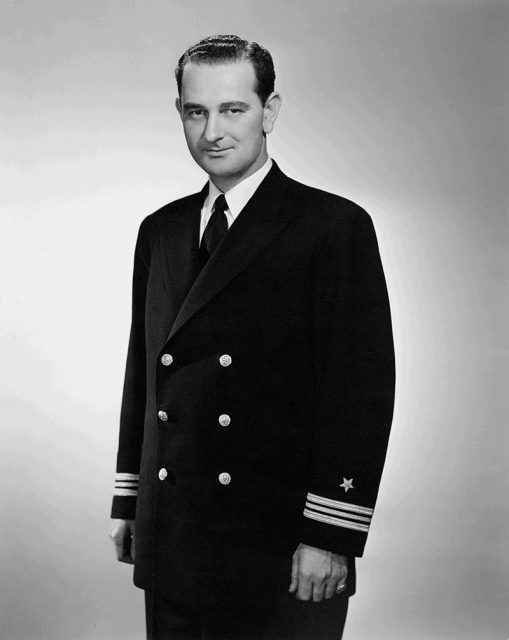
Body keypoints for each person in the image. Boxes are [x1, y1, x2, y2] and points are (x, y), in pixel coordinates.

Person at [109, 34, 395, 640]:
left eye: (233, 109)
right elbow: (145, 371)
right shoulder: (159, 231)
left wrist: (330, 535)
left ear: (270, 111)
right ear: (180, 114)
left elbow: (360, 392)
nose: (213, 130)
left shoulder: (332, 226)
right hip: (177, 532)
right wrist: (130, 501)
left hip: (281, 543)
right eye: (196, 111)